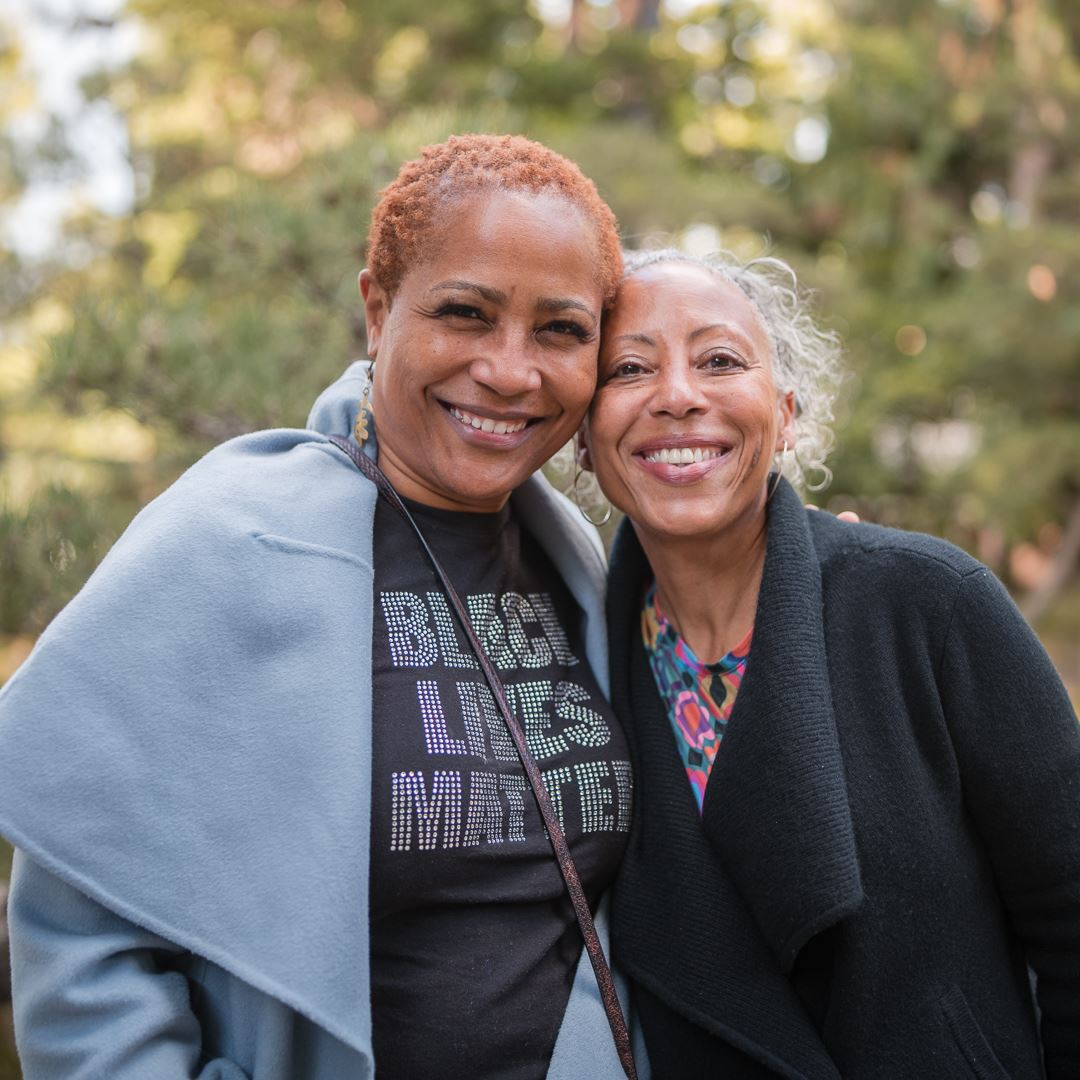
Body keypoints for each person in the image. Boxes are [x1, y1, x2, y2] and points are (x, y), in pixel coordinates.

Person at [0, 134, 642, 1080]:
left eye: (560, 330)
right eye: (465, 313)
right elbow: (83, 944)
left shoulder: (574, 561)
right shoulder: (230, 539)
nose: (511, 370)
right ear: (378, 312)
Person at [580, 248, 1080, 1080]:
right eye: (629, 369)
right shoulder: (581, 658)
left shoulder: (929, 604)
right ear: (584, 436)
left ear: (784, 414)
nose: (677, 394)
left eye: (720, 360)